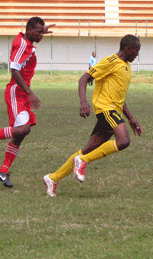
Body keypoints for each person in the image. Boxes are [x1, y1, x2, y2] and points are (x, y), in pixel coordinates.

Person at [43, 34, 143, 197]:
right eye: (136, 50)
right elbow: (84, 78)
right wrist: (83, 102)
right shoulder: (110, 61)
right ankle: (83, 161)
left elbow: (120, 98)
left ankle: (52, 178)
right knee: (123, 141)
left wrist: (131, 119)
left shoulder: (126, 66)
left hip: (113, 110)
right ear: (127, 48)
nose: (137, 54)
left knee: (88, 149)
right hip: (105, 109)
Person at [0, 17, 55, 188]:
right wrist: (29, 92)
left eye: (42, 31)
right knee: (22, 129)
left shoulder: (26, 40)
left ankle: (3, 172)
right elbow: (14, 70)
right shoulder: (23, 44)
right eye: (39, 31)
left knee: (22, 134)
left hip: (21, 93)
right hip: (17, 92)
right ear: (30, 30)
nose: (41, 34)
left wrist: (40, 32)